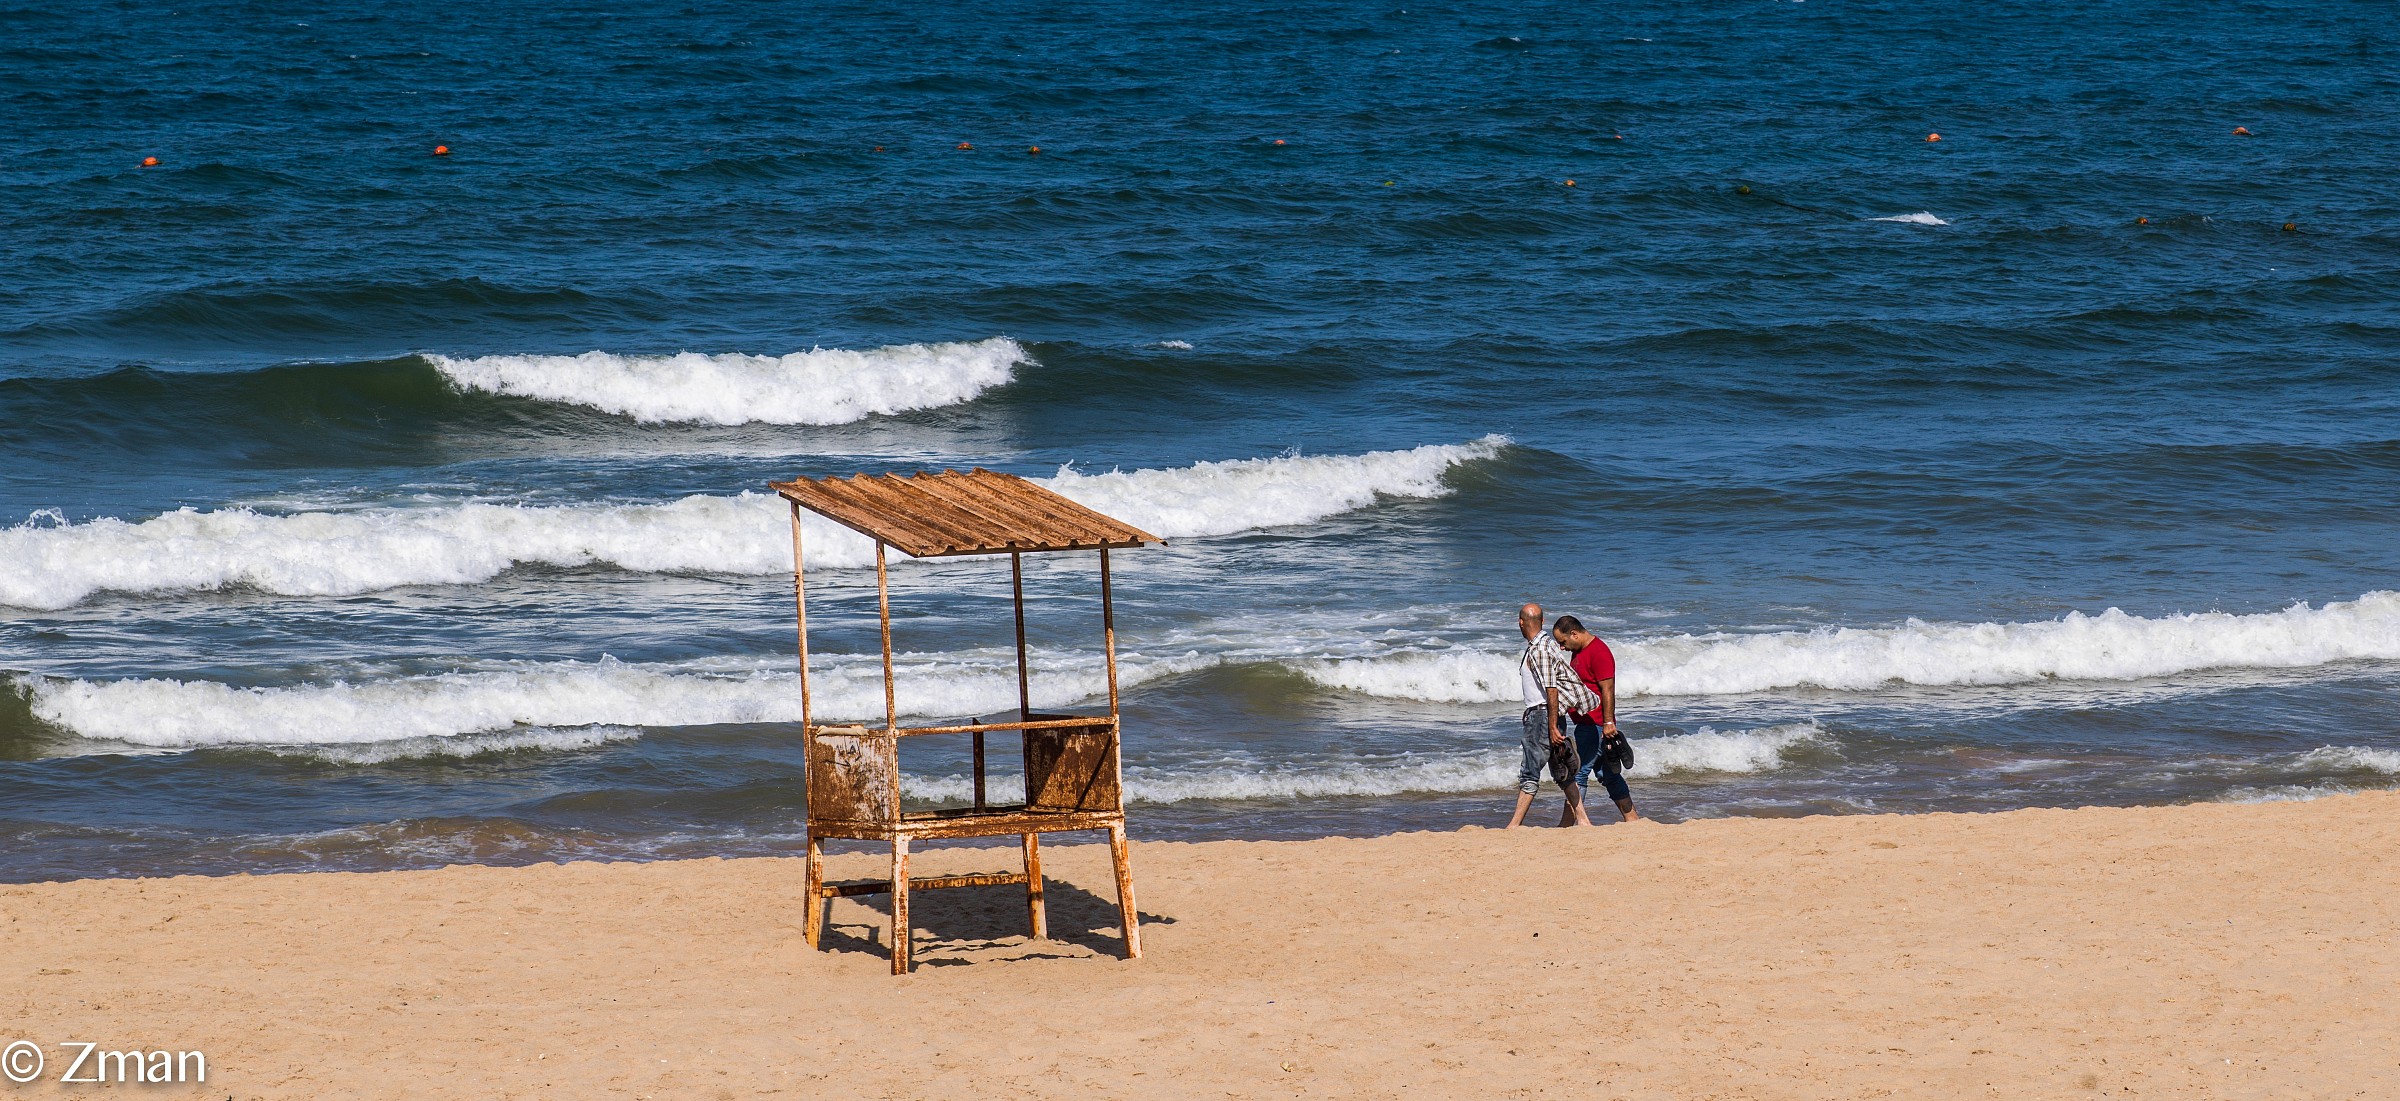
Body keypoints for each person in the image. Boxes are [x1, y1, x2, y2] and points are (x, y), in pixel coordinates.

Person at [1507, 603, 1602, 828]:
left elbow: (1551, 689)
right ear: (1543, 621)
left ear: (1520, 623)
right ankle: (1583, 820)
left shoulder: (1539, 649)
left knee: (1530, 770)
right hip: (1547, 715)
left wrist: (1550, 726)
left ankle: (1514, 826)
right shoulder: (1546, 644)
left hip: (1543, 717)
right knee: (1562, 771)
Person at [1552, 615, 1641, 822]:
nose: (1562, 647)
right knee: (1609, 775)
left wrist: (1608, 723)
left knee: (1577, 774)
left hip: (1595, 725)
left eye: (1563, 641)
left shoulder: (1599, 652)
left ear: (1574, 634)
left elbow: (1608, 689)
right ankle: (1633, 819)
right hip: (1588, 723)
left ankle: (1567, 824)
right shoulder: (1579, 651)